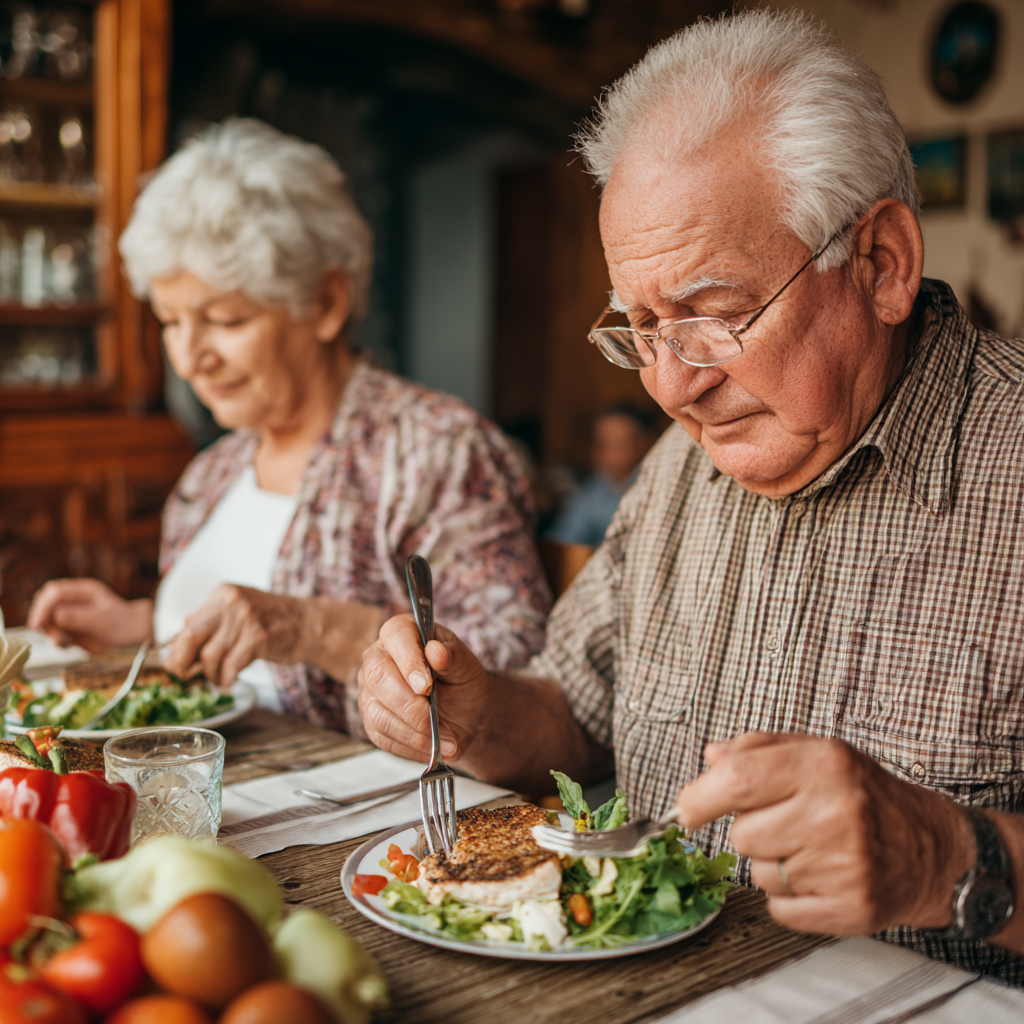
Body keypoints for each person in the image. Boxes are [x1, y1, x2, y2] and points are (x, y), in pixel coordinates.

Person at [357, 10, 1024, 981]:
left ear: (880, 262)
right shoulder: (678, 465)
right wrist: (474, 713)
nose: (670, 386)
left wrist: (942, 859)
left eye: (714, 315)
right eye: (639, 329)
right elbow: (578, 722)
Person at [27, 119, 550, 731]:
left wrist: (312, 628)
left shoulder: (437, 450)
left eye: (223, 319)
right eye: (170, 321)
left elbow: (519, 673)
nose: (191, 357)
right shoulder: (213, 471)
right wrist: (142, 624)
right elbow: (240, 662)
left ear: (326, 302)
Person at [546, 405, 657, 547]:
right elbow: (566, 537)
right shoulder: (596, 486)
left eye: (616, 444)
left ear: (644, 443)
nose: (604, 452)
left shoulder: (656, 487)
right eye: (600, 443)